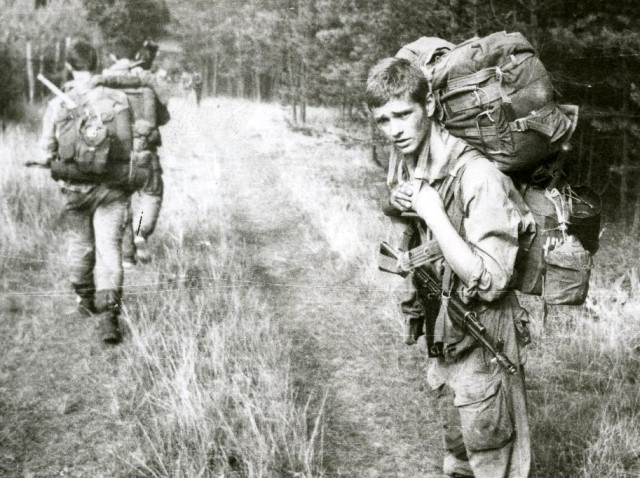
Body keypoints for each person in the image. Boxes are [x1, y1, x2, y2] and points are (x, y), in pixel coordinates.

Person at [366, 57, 535, 477]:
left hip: (485, 335)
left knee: (493, 457)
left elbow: (493, 281)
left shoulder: (478, 176)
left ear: (430, 107)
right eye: (383, 120)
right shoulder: (411, 160)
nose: (395, 129)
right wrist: (402, 202)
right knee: (458, 453)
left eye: (403, 114)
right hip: (445, 332)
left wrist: (433, 212)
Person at [39, 39, 130, 344]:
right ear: (97, 63)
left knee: (79, 245)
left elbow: (46, 151)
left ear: (68, 65)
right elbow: (126, 146)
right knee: (110, 250)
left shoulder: (57, 103)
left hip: (75, 189)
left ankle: (85, 300)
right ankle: (111, 317)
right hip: (112, 188)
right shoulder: (117, 98)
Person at [98, 39, 170, 267]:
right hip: (143, 153)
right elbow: (163, 118)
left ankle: (127, 257)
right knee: (151, 194)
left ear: (112, 57)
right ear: (137, 55)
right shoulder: (146, 81)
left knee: (120, 201)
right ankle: (140, 232)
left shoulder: (103, 82)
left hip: (113, 154)